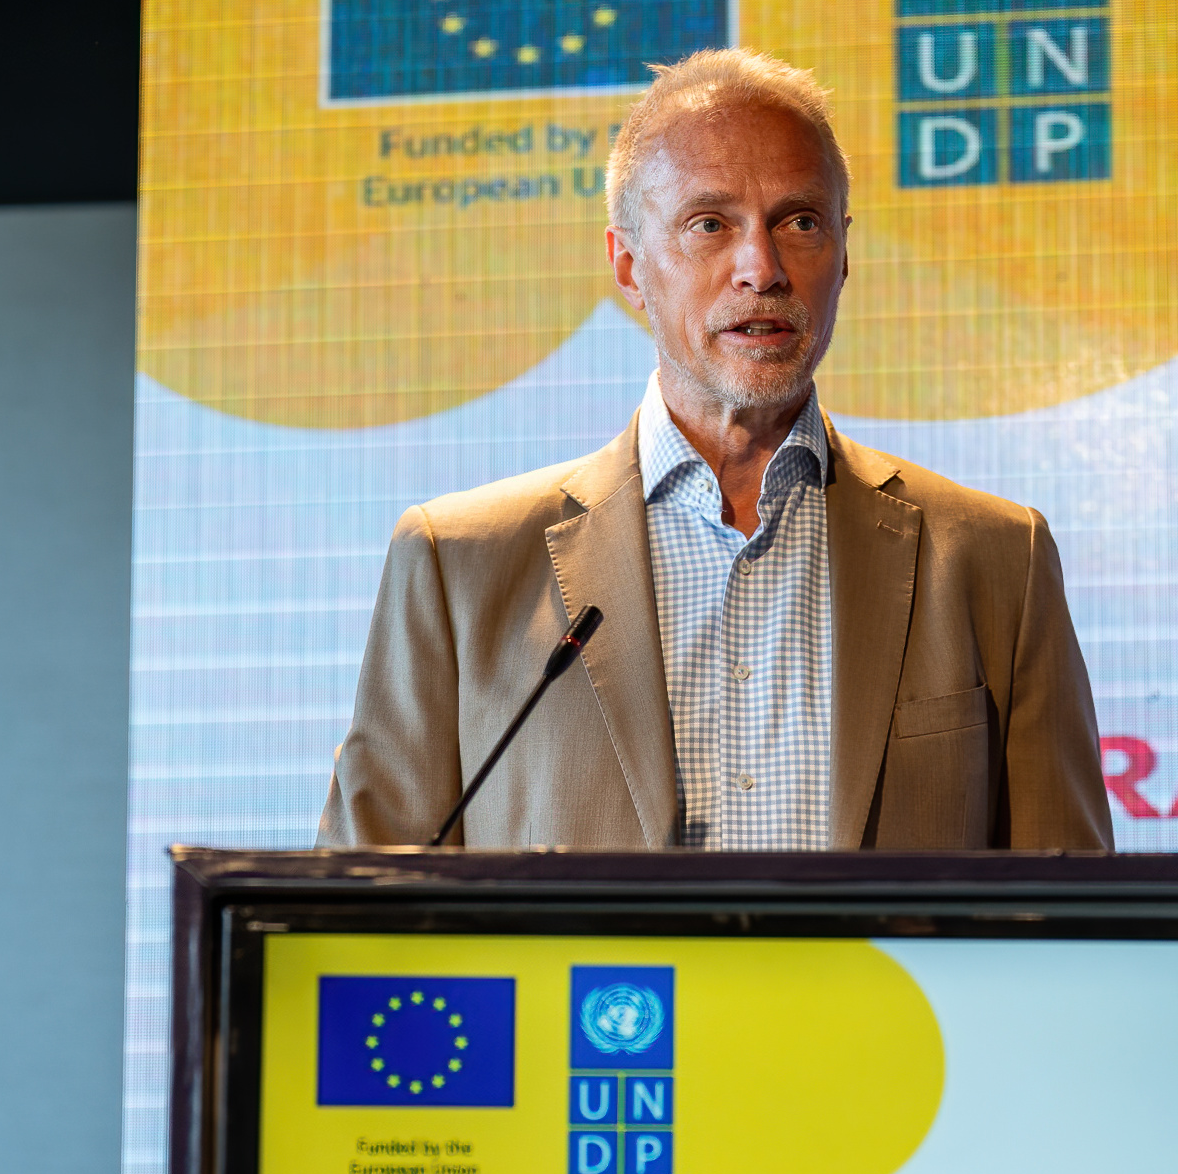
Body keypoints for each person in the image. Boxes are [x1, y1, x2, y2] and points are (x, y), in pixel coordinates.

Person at [318, 48, 1112, 852]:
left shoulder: (996, 561)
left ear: (844, 253)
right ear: (628, 266)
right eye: (710, 224)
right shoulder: (459, 566)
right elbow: (358, 929)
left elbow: (1075, 928)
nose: (760, 269)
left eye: (799, 222)